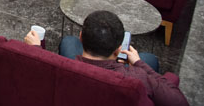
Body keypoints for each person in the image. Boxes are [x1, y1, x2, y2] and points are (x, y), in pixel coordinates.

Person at [24, 11, 189, 106]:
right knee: (149, 59)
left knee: (68, 41)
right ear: (119, 49)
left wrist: (36, 49)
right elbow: (180, 102)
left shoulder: (59, 67)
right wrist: (139, 63)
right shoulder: (137, 78)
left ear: (81, 37)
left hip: (77, 78)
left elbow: (42, 68)